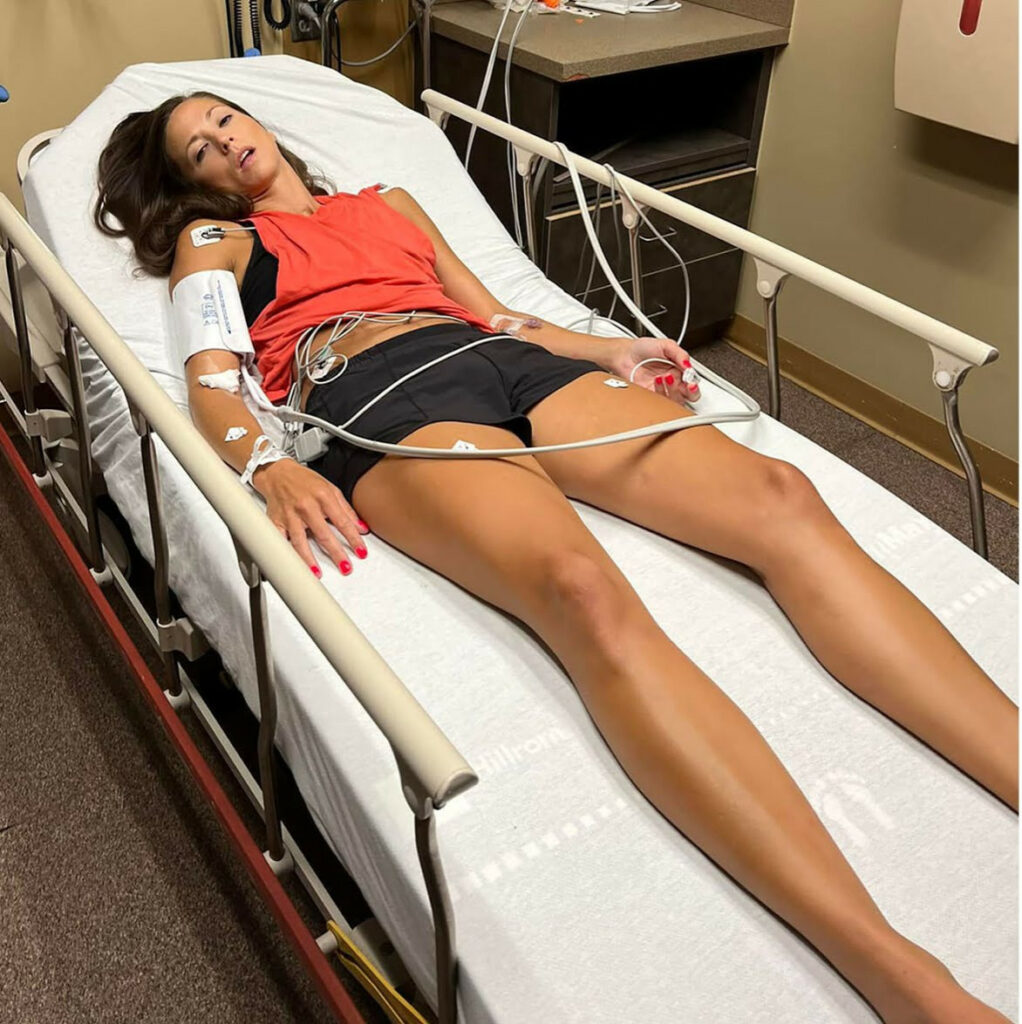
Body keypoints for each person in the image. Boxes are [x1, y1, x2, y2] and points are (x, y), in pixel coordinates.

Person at [95, 90, 1017, 1023]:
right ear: (195, 184)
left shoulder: (389, 205)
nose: (223, 143)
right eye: (198, 150)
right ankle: (901, 977)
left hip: (504, 362)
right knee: (581, 593)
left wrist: (610, 353)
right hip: (377, 390)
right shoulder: (216, 243)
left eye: (223, 120)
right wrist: (269, 467)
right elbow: (211, 383)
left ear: (257, 121)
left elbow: (499, 316)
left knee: (784, 500)